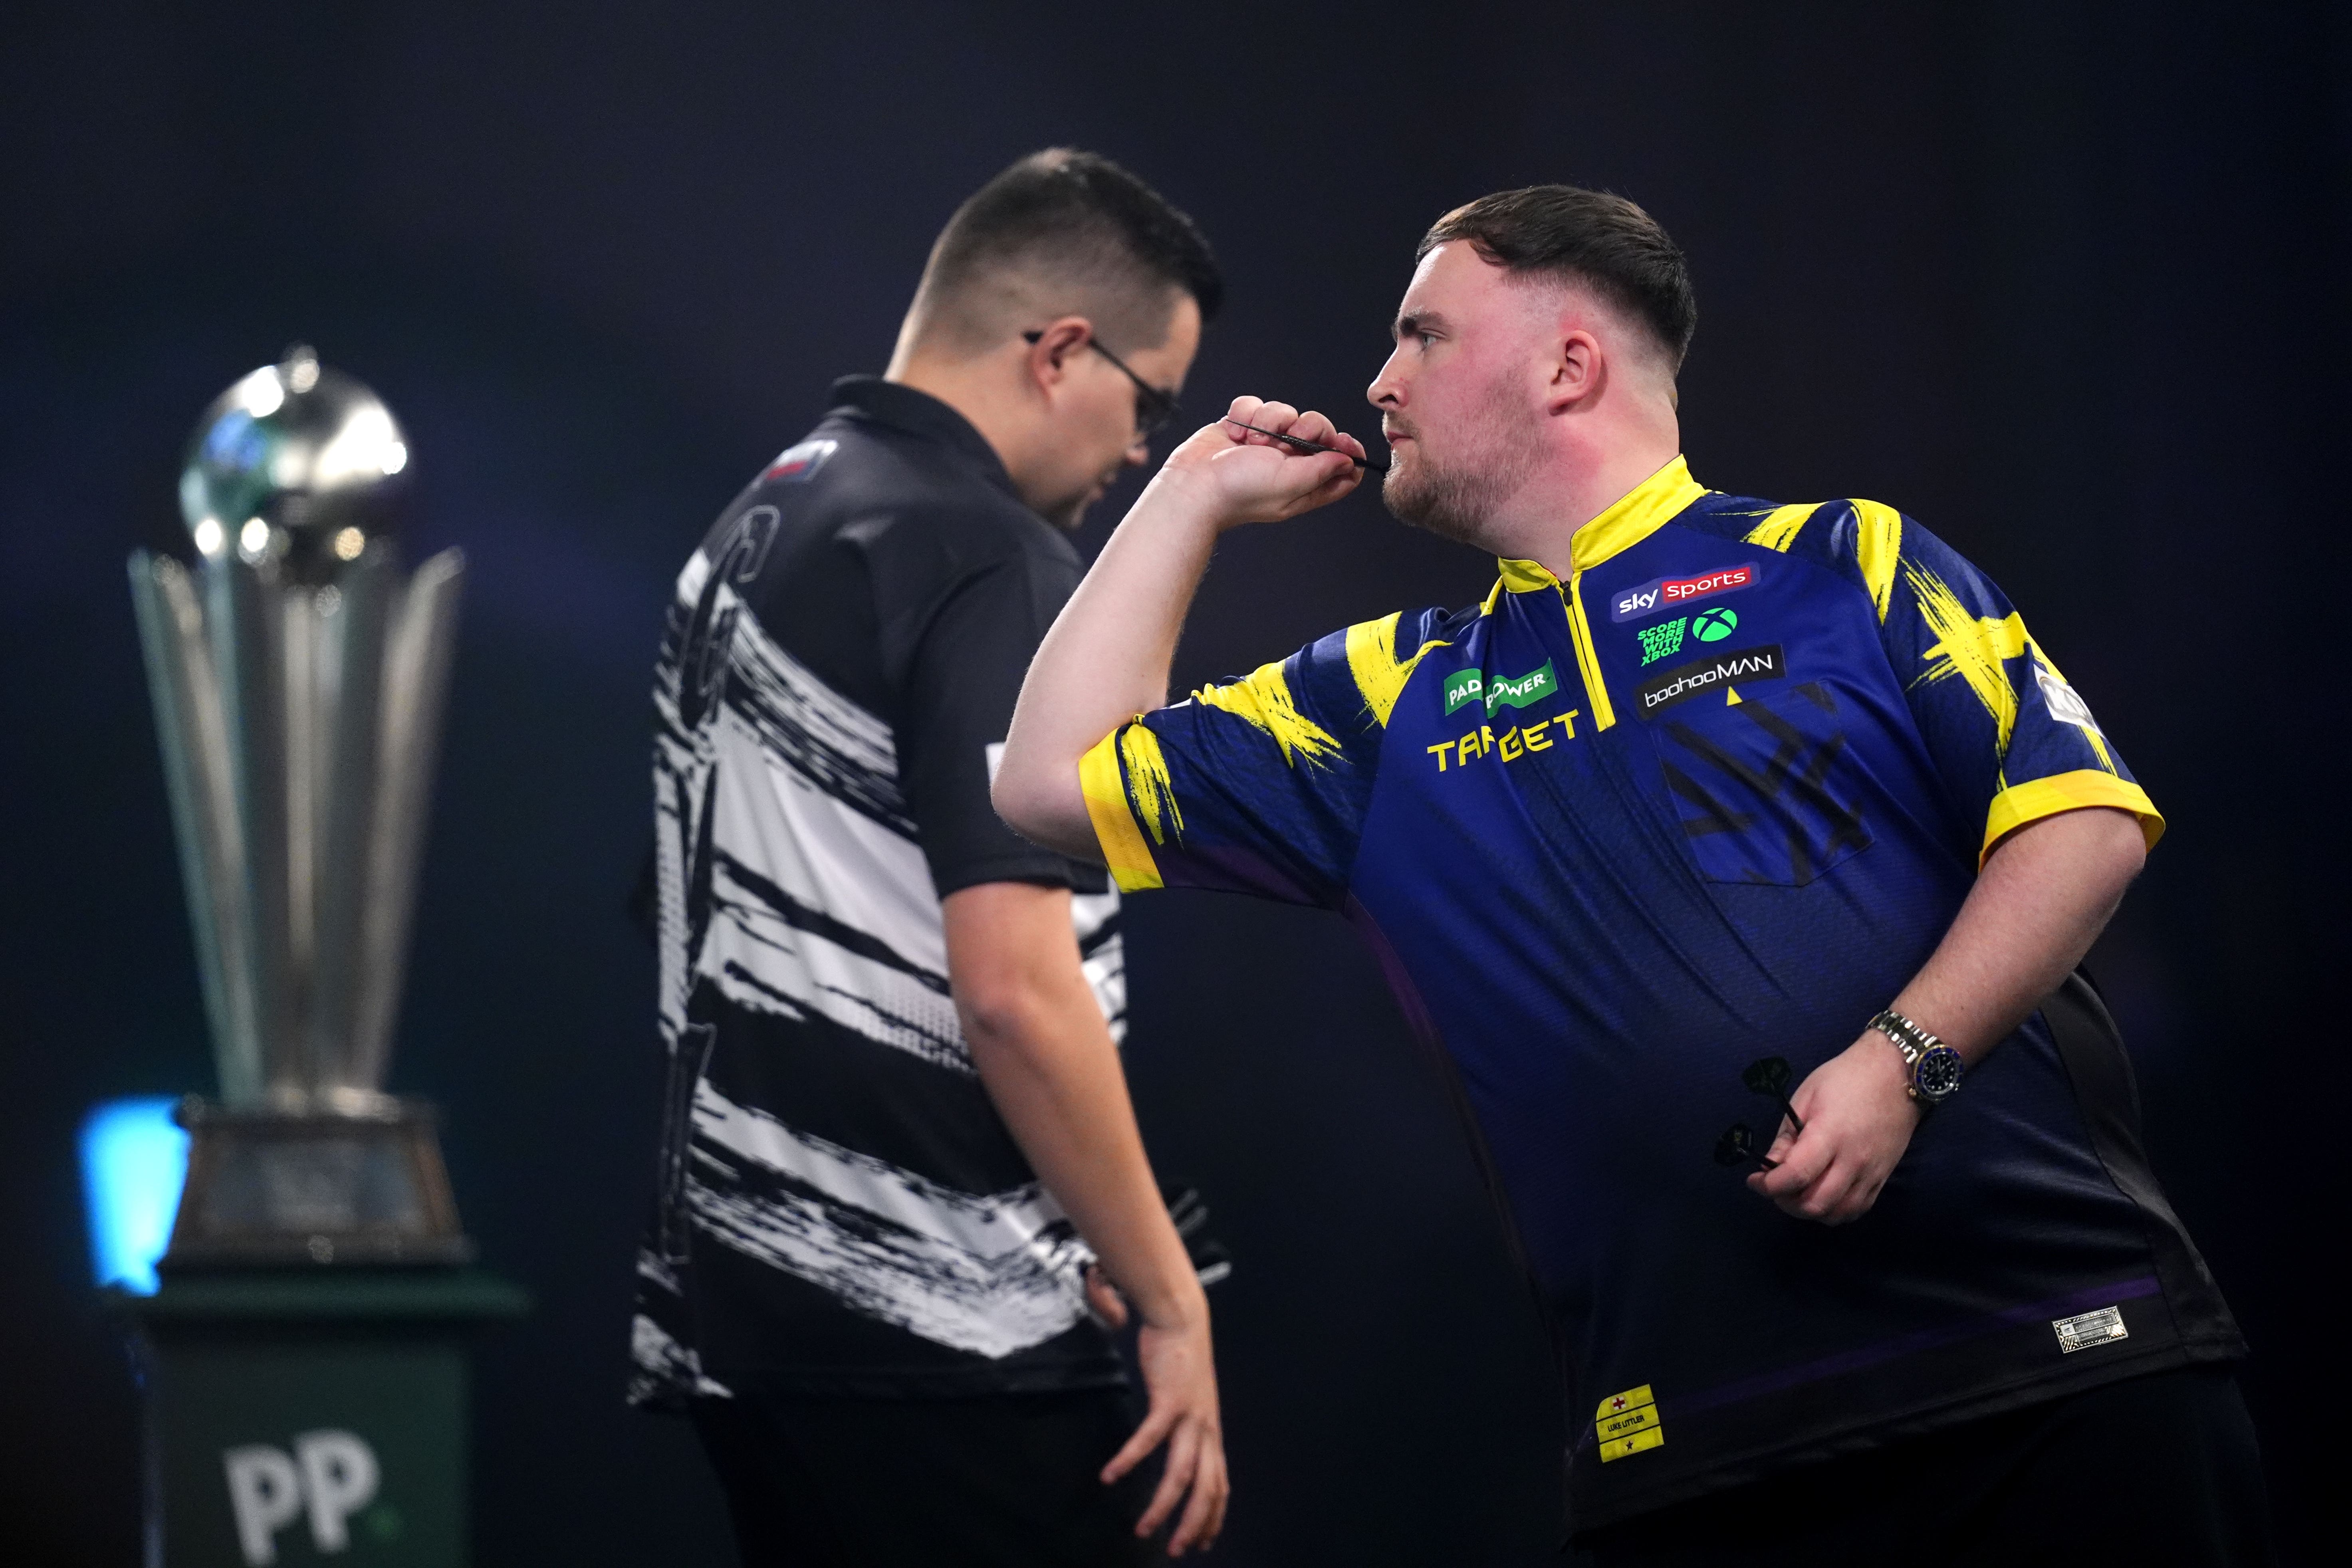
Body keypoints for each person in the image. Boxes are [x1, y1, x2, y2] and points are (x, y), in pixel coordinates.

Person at [994, 185, 2272, 1564]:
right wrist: (1188, 494)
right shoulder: (1382, 698)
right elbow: (1045, 781)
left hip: (2061, 1370)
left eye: (1421, 335)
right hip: (1694, 1457)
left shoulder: (1843, 561)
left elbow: (2082, 824)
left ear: (1566, 364)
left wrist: (1905, 1060)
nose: (1377, 383)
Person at [630, 149, 1228, 1564]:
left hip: (748, 1320)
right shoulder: (985, 552)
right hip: (948, 1328)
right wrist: (1170, 1295)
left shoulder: (760, 519)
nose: (1143, 448)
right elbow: (1017, 992)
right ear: (1061, 352)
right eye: (1150, 402)